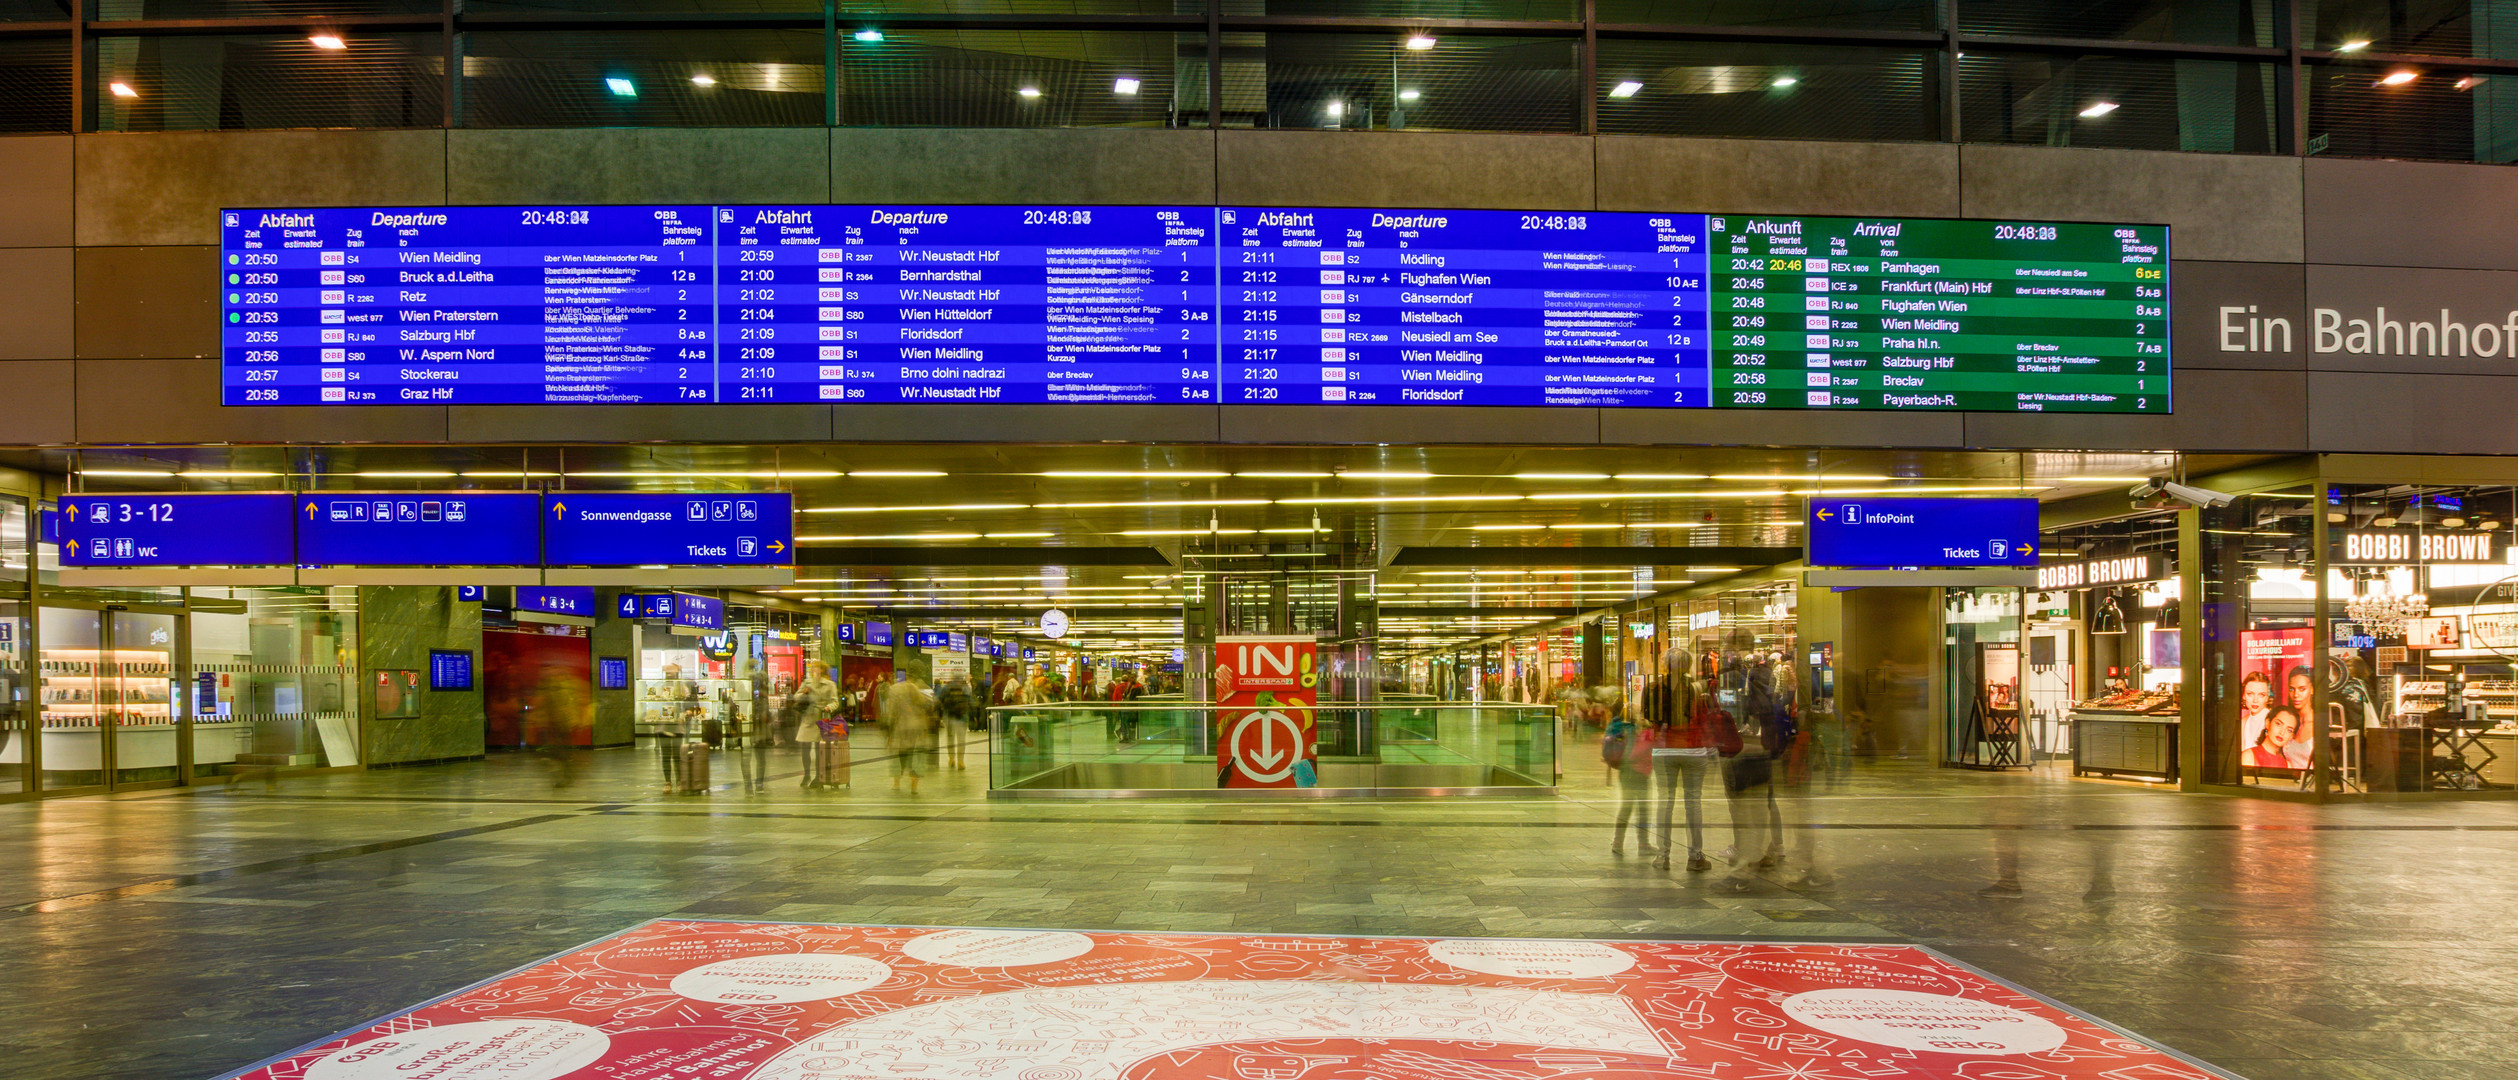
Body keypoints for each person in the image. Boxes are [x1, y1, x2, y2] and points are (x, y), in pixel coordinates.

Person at [1648, 646, 1716, 873]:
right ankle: (1695, 856)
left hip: (1663, 749)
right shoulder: (1698, 689)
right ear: (1689, 665)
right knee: (1693, 802)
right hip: (1693, 749)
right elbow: (1705, 718)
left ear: (1665, 665)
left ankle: (1662, 856)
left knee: (1665, 801)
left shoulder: (1653, 687)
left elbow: (1648, 718)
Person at [1606, 704, 1654, 856]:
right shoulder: (1635, 730)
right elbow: (1636, 753)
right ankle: (1641, 844)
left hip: (1627, 772)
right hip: (1635, 772)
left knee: (1629, 808)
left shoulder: (1623, 728)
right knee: (1640, 809)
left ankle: (1619, 842)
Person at [882, 675, 940, 794]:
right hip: (916, 728)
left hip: (901, 728)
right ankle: (914, 786)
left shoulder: (895, 690)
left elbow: (892, 713)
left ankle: (896, 783)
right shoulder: (919, 691)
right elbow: (927, 709)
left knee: (898, 756)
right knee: (916, 757)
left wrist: (889, 730)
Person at [2235, 670, 2274, 753]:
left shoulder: (2272, 721)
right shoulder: (2244, 722)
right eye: (2250, 694)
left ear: (2267, 697)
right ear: (2243, 696)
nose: (2255, 700)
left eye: (2261, 695)